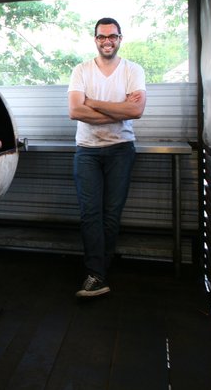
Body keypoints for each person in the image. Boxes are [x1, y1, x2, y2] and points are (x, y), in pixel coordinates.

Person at [67, 17, 146, 298]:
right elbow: (76, 112)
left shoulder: (132, 71)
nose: (107, 41)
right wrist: (119, 108)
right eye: (102, 37)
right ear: (95, 40)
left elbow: (136, 112)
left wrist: (94, 103)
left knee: (111, 215)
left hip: (121, 150)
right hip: (87, 151)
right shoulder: (81, 70)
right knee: (90, 213)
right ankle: (95, 273)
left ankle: (99, 271)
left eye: (112, 36)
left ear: (120, 38)